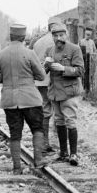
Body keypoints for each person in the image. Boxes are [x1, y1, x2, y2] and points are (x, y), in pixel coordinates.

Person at [0, 24, 47, 174]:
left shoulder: (1, 55)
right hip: (30, 99)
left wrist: (5, 77)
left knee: (15, 134)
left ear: (11, 36)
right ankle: (38, 160)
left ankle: (17, 168)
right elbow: (41, 76)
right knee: (37, 128)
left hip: (10, 101)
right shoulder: (30, 54)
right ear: (23, 37)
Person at [43, 23, 84, 166]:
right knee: (59, 122)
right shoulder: (49, 50)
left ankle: (74, 154)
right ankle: (63, 152)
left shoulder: (75, 49)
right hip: (55, 92)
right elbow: (44, 72)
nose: (58, 38)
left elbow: (80, 70)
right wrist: (46, 66)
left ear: (66, 35)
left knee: (70, 121)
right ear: (52, 37)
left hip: (69, 92)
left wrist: (63, 68)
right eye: (55, 35)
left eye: (61, 35)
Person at [32, 15, 62, 153]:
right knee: (59, 111)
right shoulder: (59, 41)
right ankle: (58, 142)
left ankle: (44, 142)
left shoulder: (38, 42)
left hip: (41, 81)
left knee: (44, 111)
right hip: (56, 80)